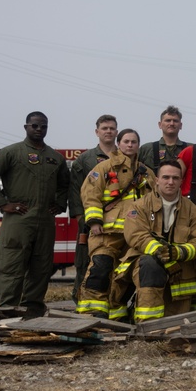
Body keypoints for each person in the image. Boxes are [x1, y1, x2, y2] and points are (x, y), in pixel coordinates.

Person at [0, 112, 70, 318]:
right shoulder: (11, 153)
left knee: (42, 265)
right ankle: (6, 307)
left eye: (43, 126)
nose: (39, 129)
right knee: (10, 261)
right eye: (35, 126)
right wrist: (2, 203)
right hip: (19, 218)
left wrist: (59, 204)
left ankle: (33, 308)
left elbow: (65, 184)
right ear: (26, 127)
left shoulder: (55, 158)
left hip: (45, 219)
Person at [111, 160, 196, 323]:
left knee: (174, 317)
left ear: (181, 181)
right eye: (166, 177)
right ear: (157, 180)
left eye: (175, 178)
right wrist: (158, 250)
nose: (170, 182)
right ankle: (148, 324)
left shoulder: (193, 211)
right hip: (144, 262)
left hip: (179, 268)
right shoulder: (139, 207)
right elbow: (135, 234)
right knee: (150, 265)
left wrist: (179, 252)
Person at [76, 129, 155, 318]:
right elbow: (90, 195)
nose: (130, 145)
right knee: (100, 268)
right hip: (106, 233)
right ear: (119, 144)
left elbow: (155, 200)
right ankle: (91, 312)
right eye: (126, 141)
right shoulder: (103, 168)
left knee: (124, 276)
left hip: (134, 235)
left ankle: (115, 312)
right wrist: (94, 221)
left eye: (134, 142)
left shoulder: (146, 172)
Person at [68, 114, 118, 301]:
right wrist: (81, 218)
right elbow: (75, 189)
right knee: (85, 262)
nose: (108, 131)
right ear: (97, 132)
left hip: (116, 223)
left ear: (116, 132)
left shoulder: (123, 157)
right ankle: (79, 299)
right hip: (90, 222)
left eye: (112, 128)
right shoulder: (85, 159)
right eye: (104, 128)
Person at [138, 106, 189, 174]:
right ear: (160, 124)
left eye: (175, 121)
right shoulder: (146, 149)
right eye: (168, 120)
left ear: (181, 125)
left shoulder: (190, 149)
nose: (171, 124)